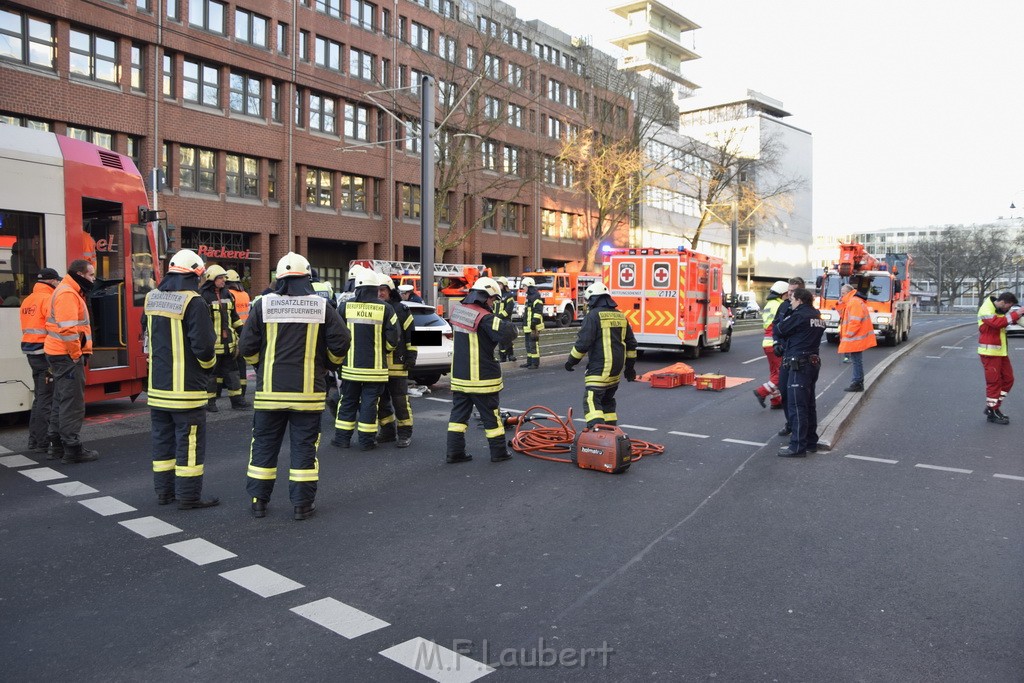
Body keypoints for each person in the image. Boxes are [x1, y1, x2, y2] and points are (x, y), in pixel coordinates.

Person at [239, 252, 350, 520]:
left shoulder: (262, 305)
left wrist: (259, 366)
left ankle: (258, 502)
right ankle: (302, 505)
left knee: (264, 446)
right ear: (307, 277)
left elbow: (246, 347)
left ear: (279, 278)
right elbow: (341, 342)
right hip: (307, 395)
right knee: (303, 448)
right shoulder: (321, 307)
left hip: (269, 394)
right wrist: (329, 364)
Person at [143, 249, 220, 509]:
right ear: (196, 274)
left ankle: (164, 493)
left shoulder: (151, 298)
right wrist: (208, 369)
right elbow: (205, 348)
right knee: (189, 444)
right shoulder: (194, 301)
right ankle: (188, 497)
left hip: (157, 388)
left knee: (162, 442)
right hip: (186, 391)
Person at [445, 277, 518, 463]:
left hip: (460, 377)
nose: (493, 304)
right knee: (491, 417)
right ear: (486, 297)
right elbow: (508, 333)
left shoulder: (458, 311)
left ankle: (455, 453)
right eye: (493, 300)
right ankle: (499, 452)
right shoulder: (485, 317)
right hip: (481, 378)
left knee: (458, 418)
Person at [332, 268, 399, 451]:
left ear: (357, 288)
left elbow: (336, 335)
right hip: (375, 369)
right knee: (370, 404)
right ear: (376, 288)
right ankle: (366, 441)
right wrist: (383, 351)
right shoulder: (386, 308)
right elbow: (394, 339)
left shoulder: (345, 306)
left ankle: (342, 439)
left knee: (347, 402)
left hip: (350, 368)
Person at [43, 259, 99, 463]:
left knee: (61, 399)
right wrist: (76, 355)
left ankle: (56, 444)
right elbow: (68, 329)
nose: (93, 279)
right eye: (91, 275)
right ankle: (72, 448)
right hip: (66, 355)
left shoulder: (68, 290)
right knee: (72, 402)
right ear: (80, 274)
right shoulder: (68, 293)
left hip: (58, 353)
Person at [563, 282, 637, 427]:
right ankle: (610, 433)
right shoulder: (621, 316)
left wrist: (571, 361)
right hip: (615, 373)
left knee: (591, 401)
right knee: (607, 402)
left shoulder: (593, 316)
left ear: (593, 299)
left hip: (599, 370)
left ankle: (597, 436)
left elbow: (583, 343)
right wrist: (630, 368)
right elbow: (631, 345)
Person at [773, 288, 826, 457]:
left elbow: (779, 330)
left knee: (797, 405)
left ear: (800, 300)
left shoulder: (799, 315)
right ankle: (811, 441)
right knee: (809, 405)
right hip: (812, 363)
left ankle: (797, 446)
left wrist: (787, 313)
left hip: (798, 364)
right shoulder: (817, 315)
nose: (791, 303)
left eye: (793, 300)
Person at [20, 268, 61, 454]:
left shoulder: (28, 299)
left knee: (39, 398)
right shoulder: (49, 299)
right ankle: (43, 442)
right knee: (46, 399)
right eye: (57, 281)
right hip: (46, 354)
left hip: (31, 353)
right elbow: (55, 328)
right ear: (51, 281)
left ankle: (34, 440)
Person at [375, 272, 417, 448]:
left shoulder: (401, 309)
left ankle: (405, 433)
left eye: (382, 290)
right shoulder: (374, 308)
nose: (379, 293)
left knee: (400, 401)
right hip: (378, 365)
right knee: (381, 401)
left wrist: (411, 355)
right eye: (376, 290)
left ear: (390, 291)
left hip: (398, 364)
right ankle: (387, 431)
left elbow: (411, 335)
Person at [200, 264, 248, 412]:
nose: (223, 280)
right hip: (213, 345)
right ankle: (210, 402)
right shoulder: (203, 296)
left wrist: (243, 333)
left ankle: (237, 401)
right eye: (220, 278)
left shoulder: (228, 295)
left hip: (229, 344)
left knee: (233, 373)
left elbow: (234, 317)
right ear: (211, 279)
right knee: (212, 375)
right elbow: (202, 323)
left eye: (224, 278)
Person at [977, 292, 1023, 424]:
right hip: (989, 353)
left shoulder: (999, 309)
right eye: (1009, 306)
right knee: (994, 383)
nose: (1009, 309)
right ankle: (993, 411)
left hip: (1000, 353)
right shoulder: (986, 309)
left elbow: (1006, 320)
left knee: (1008, 380)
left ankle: (993, 406)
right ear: (1003, 303)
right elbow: (997, 323)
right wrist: (1016, 313)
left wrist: (1017, 316)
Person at [772, 277, 805, 438]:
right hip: (786, 355)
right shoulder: (784, 306)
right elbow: (775, 325)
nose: (790, 293)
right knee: (784, 391)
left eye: (793, 291)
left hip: (800, 358)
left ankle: (799, 428)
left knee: (798, 395)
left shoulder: (804, 310)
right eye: (789, 290)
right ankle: (790, 423)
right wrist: (776, 343)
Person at [753, 281, 788, 410]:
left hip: (767, 343)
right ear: (782, 294)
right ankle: (761, 391)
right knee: (781, 374)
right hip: (775, 343)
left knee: (775, 372)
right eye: (787, 294)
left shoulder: (769, 304)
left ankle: (776, 400)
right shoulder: (780, 305)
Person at [837, 280, 876, 392]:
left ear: (849, 292)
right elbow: (842, 315)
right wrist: (840, 303)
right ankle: (857, 382)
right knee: (856, 360)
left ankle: (857, 383)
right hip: (856, 338)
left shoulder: (853, 302)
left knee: (857, 361)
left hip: (855, 338)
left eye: (843, 293)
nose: (841, 295)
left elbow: (855, 321)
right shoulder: (852, 302)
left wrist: (848, 335)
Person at [225, 269, 251, 397]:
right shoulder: (245, 294)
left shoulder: (229, 294)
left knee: (230, 364)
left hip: (233, 331)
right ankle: (243, 390)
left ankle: (230, 390)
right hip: (244, 331)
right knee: (242, 364)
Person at [520, 276, 544, 369]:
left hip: (534, 326)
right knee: (528, 345)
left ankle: (535, 363)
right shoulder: (529, 296)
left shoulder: (536, 297)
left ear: (529, 286)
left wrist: (534, 323)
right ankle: (529, 362)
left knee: (533, 345)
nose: (523, 288)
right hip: (528, 325)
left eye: (524, 286)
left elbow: (538, 311)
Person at [493, 276, 517, 362]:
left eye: (500, 284)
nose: (498, 285)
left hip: (506, 321)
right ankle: (502, 357)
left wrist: (499, 316)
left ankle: (510, 355)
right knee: (500, 340)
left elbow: (508, 310)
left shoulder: (509, 295)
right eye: (498, 284)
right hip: (497, 320)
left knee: (507, 339)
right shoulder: (497, 295)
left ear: (504, 285)